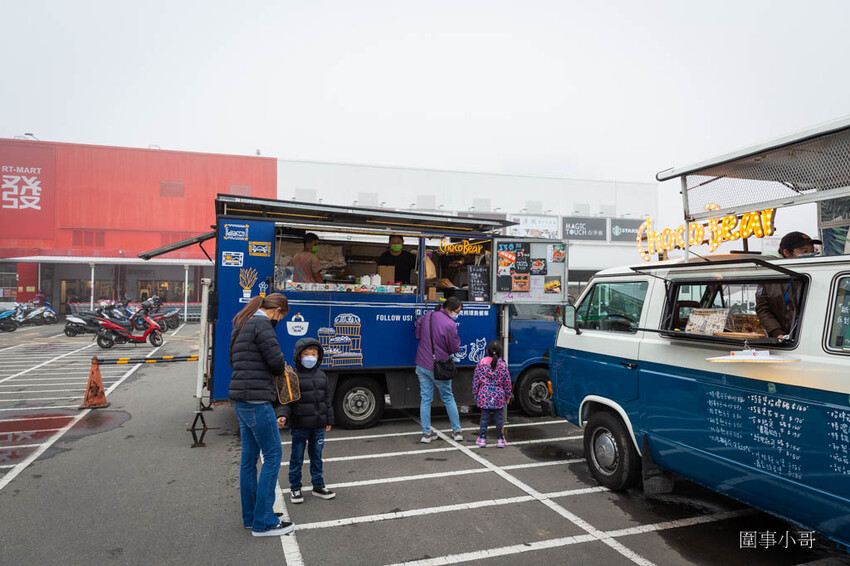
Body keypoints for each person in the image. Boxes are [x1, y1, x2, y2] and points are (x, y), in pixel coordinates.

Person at [228, 293, 296, 537]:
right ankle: (264, 521)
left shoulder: (242, 323)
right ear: (277, 310)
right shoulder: (263, 326)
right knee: (273, 455)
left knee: (248, 460)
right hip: (258, 401)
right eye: (282, 316)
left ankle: (251, 516)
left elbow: (232, 359)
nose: (280, 320)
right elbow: (277, 364)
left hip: (241, 399)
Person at [276, 337, 336, 504]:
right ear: (298, 356)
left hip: (318, 425)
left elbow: (327, 400)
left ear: (319, 356)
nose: (310, 357)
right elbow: (286, 400)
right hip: (299, 425)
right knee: (296, 457)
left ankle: (318, 485)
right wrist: (283, 415)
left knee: (317, 456)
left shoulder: (322, 376)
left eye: (314, 353)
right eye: (306, 354)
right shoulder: (293, 376)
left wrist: (329, 419)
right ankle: (295, 487)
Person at [414, 296, 464, 443]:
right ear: (451, 309)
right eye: (458, 311)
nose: (458, 314)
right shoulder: (450, 325)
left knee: (425, 399)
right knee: (448, 397)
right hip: (438, 366)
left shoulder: (428, 315)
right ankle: (457, 431)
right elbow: (454, 348)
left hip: (422, 363)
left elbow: (417, 333)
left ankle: (426, 434)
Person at [756, 231, 822, 339]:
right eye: (804, 251)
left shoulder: (816, 275)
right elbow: (763, 309)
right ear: (786, 252)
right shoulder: (769, 277)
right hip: (780, 340)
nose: (810, 254)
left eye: (812, 250)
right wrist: (777, 333)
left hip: (811, 338)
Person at [472, 340, 513, 448]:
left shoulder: (481, 363)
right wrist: (508, 396)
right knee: (499, 418)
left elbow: (476, 380)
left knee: (484, 418)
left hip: (484, 394)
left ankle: (482, 439)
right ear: (500, 352)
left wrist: (475, 394)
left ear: (487, 351)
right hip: (499, 395)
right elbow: (507, 382)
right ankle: (500, 440)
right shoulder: (503, 365)